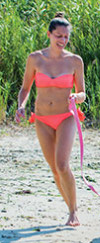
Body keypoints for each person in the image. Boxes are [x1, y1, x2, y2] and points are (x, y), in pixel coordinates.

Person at [15, 13, 86, 227]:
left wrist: (77, 96)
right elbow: (25, 88)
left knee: (63, 164)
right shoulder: (35, 59)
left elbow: (82, 92)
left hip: (66, 117)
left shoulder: (74, 61)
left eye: (66, 37)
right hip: (42, 118)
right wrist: (21, 105)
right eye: (59, 36)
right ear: (49, 34)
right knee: (54, 169)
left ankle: (74, 212)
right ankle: (69, 208)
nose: (62, 40)